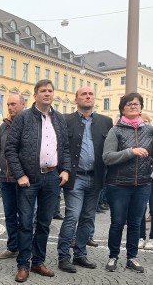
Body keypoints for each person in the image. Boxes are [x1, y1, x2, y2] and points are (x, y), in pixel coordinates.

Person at [5, 79, 71, 282]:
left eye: (50, 90)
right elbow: (10, 149)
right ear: (35, 95)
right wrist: (20, 175)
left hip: (52, 177)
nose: (47, 94)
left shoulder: (59, 118)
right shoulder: (23, 118)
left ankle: (38, 262)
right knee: (25, 223)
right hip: (29, 178)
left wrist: (66, 170)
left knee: (44, 223)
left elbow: (65, 148)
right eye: (43, 91)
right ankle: (23, 265)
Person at [56, 86, 113, 273]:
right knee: (72, 216)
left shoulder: (106, 121)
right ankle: (63, 257)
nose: (88, 97)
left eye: (90, 94)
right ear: (76, 99)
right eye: (84, 94)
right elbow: (61, 147)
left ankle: (80, 254)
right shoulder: (65, 120)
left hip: (96, 178)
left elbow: (110, 150)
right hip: (75, 178)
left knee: (88, 218)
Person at [102, 92, 153, 273]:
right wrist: (131, 151)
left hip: (143, 185)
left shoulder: (149, 130)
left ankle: (132, 257)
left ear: (141, 107)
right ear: (123, 108)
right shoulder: (115, 131)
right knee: (117, 222)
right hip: (118, 185)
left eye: (137, 103)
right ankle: (113, 256)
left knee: (136, 222)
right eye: (129, 103)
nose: (133, 106)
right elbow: (107, 157)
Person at [0, 94, 25, 260]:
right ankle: (12, 247)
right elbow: (1, 150)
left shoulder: (29, 122)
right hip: (6, 179)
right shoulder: (3, 126)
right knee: (10, 215)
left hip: (23, 179)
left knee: (25, 216)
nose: (10, 107)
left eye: (13, 104)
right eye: (8, 105)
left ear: (23, 104)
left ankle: (26, 248)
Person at [138, 113, 153, 250]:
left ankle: (152, 238)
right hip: (142, 178)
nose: (145, 124)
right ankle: (140, 236)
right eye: (142, 122)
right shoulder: (136, 139)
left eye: (146, 121)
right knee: (140, 209)